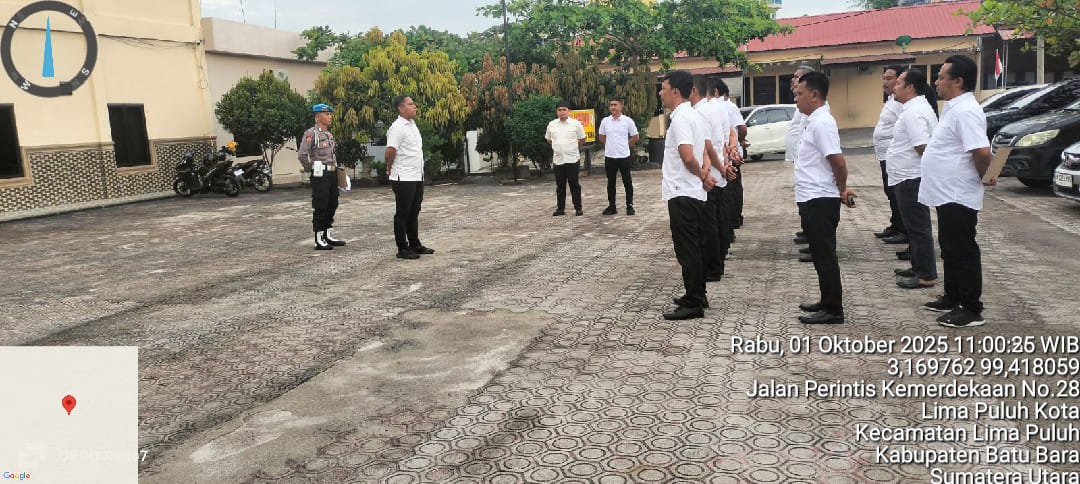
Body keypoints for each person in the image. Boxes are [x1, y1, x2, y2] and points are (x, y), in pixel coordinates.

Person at [919, 55, 994, 328]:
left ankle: (971, 308)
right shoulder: (954, 107)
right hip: (946, 192)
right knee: (949, 247)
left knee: (963, 249)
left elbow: (982, 151)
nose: (936, 82)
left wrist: (983, 175)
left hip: (958, 192)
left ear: (958, 81)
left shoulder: (966, 111)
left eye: (941, 77)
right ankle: (952, 297)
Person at [792, 72, 855, 325]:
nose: (796, 98)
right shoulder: (814, 121)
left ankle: (833, 309)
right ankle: (826, 300)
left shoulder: (822, 123)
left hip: (820, 198)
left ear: (814, 95)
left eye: (799, 94)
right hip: (812, 197)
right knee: (820, 255)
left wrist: (842, 189)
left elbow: (838, 162)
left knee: (825, 255)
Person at [659, 70, 717, 320]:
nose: (660, 93)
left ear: (675, 91)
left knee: (688, 249)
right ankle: (698, 294)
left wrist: (703, 175)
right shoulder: (695, 115)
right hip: (692, 191)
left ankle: (693, 302)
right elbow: (703, 151)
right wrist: (705, 174)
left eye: (663, 88)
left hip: (682, 191)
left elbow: (686, 155)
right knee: (696, 245)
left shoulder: (681, 118)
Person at [887, 69, 940, 290]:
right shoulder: (913, 108)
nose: (894, 87)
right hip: (907, 176)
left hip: (911, 177)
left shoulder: (914, 112)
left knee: (918, 227)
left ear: (910, 87)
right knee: (913, 226)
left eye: (899, 83)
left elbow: (922, 146)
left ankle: (926, 274)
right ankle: (919, 267)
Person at [692, 76, 736, 281]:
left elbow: (707, 146)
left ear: (694, 90)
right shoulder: (719, 109)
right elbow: (726, 140)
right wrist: (725, 165)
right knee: (718, 220)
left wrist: (717, 168)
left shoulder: (701, 112)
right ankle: (718, 260)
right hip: (719, 172)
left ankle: (713, 267)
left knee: (708, 225)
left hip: (711, 174)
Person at [386, 95, 435, 260]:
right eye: (410, 104)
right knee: (403, 213)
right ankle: (402, 248)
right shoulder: (397, 127)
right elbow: (390, 150)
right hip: (403, 176)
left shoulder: (412, 125)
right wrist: (389, 167)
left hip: (416, 175)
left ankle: (415, 244)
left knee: (414, 211)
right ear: (401, 108)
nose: (414, 106)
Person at [298, 103, 346, 251]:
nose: (330, 116)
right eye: (327, 114)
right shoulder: (311, 134)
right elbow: (302, 154)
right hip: (320, 174)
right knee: (321, 205)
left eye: (330, 114)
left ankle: (327, 234)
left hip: (331, 173)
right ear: (318, 116)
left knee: (333, 203)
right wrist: (311, 169)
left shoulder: (329, 135)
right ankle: (319, 238)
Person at [873, 65, 908, 244]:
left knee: (897, 194)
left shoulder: (903, 104)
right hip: (885, 156)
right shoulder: (891, 100)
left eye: (889, 79)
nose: (885, 82)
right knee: (890, 192)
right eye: (883, 78)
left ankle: (903, 230)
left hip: (894, 155)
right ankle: (896, 225)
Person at [785, 66, 815, 259]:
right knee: (805, 205)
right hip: (801, 162)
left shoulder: (815, 112)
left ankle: (816, 245)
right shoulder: (802, 105)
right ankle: (810, 236)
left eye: (797, 77)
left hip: (810, 168)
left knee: (812, 208)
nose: (793, 80)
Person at [598, 97, 640, 215]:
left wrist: (626, 145)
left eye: (615, 105)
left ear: (621, 106)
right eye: (611, 105)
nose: (613, 107)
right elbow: (601, 137)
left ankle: (629, 205)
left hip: (624, 156)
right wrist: (611, 145)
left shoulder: (627, 121)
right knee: (611, 183)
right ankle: (612, 206)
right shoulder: (605, 121)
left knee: (627, 181)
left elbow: (635, 136)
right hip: (610, 156)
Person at [545, 100, 587, 216]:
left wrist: (572, 148)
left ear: (569, 111)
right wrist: (558, 147)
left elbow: (582, 139)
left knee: (574, 184)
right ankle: (560, 208)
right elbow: (549, 139)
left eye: (564, 109)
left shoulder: (576, 124)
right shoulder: (552, 124)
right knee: (560, 185)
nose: (562, 112)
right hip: (558, 159)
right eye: (559, 110)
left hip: (572, 159)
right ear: (556, 111)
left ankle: (578, 208)